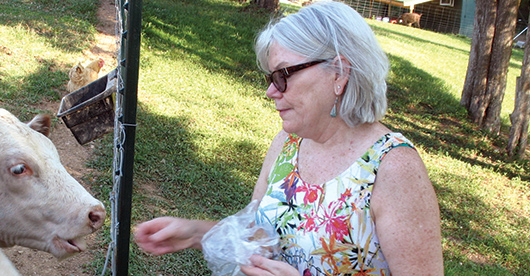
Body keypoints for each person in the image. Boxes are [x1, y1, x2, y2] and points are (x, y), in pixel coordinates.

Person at [133, 1, 444, 275]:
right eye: (271, 78)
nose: (271, 91)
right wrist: (195, 233)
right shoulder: (289, 142)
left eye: (283, 75)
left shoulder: (393, 168)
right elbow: (258, 236)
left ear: (339, 73)